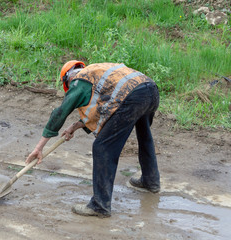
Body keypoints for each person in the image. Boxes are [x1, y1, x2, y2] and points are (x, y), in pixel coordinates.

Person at [25, 60, 160, 218]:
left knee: (102, 148)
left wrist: (39, 148)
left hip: (132, 97)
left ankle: (99, 205)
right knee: (144, 135)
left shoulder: (79, 82)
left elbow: (60, 113)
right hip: (150, 90)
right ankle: (150, 182)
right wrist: (75, 126)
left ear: (67, 79)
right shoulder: (97, 72)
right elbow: (104, 109)